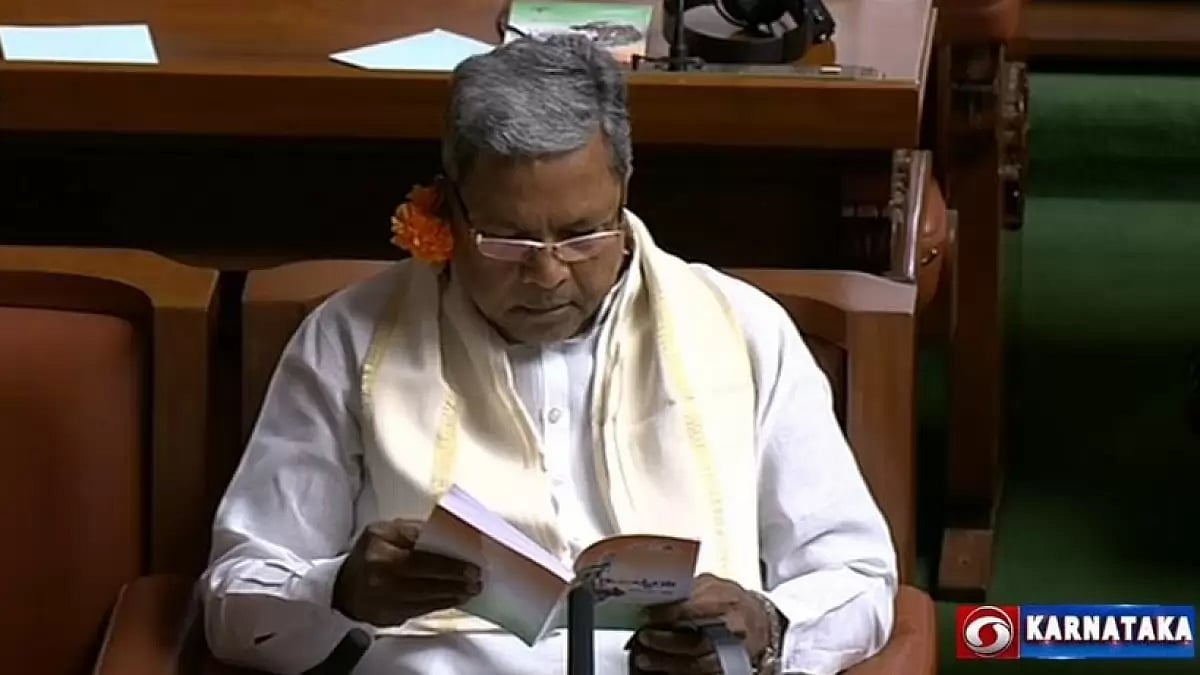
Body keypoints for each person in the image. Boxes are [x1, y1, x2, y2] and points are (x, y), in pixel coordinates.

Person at [201, 34, 897, 675]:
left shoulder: (742, 330)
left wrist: (768, 627)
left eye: (582, 234)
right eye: (508, 239)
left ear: (624, 191)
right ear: (448, 207)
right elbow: (234, 602)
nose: (549, 274)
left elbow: (858, 576)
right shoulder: (352, 338)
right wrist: (340, 589)